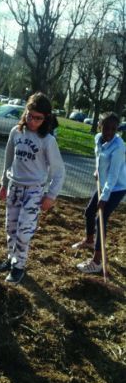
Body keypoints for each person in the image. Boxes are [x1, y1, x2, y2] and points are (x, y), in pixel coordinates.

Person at [0, 93, 65, 284]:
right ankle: (11, 259)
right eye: (30, 114)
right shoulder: (15, 132)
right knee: (10, 227)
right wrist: (3, 183)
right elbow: (8, 159)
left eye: (38, 118)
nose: (32, 120)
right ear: (25, 111)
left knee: (24, 231)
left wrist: (51, 195)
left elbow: (59, 171)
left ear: (46, 119)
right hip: (14, 187)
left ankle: (19, 267)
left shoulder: (48, 141)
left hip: (34, 191)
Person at [72, 112, 126, 274]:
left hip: (117, 187)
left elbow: (114, 174)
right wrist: (98, 169)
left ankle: (96, 262)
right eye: (105, 128)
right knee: (89, 212)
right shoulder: (97, 138)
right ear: (99, 126)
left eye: (113, 129)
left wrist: (104, 196)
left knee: (100, 219)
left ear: (117, 129)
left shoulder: (118, 147)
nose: (109, 132)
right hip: (103, 183)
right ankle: (89, 240)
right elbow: (99, 157)